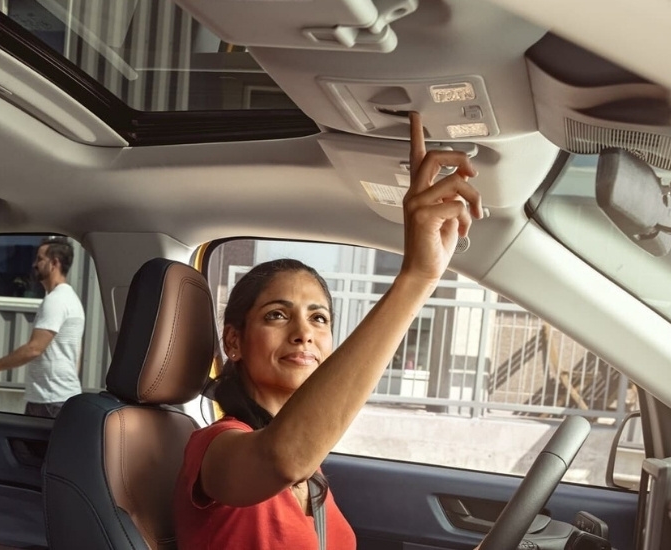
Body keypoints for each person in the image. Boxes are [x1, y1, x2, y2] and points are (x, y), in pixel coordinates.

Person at [174, 112, 483, 549]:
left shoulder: (312, 472)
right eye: (277, 315)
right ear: (234, 342)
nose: (304, 333)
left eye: (319, 318)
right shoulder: (215, 448)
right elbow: (281, 458)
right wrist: (418, 276)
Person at [0, 236, 85, 418]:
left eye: (39, 259)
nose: (34, 264)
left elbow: (34, 349)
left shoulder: (56, 300)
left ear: (54, 263)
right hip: (58, 397)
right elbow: (76, 354)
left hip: (50, 400)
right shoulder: (70, 299)